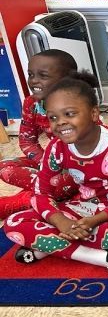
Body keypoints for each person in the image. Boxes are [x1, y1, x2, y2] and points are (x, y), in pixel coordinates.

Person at [4, 76, 108, 273]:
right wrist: (61, 222)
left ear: (94, 113)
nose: (60, 122)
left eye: (69, 114)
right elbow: (41, 194)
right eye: (53, 117)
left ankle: (44, 249)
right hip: (83, 208)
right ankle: (99, 257)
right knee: (13, 224)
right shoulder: (56, 148)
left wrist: (95, 221)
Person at [0, 50, 79, 218]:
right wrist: (46, 164)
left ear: (67, 80)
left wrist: (59, 170)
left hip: (81, 170)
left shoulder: (81, 104)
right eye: (30, 74)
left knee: (58, 184)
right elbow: (26, 141)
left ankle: (25, 201)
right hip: (52, 163)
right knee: (5, 167)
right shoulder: (32, 103)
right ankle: (41, 195)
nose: (34, 80)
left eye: (43, 75)